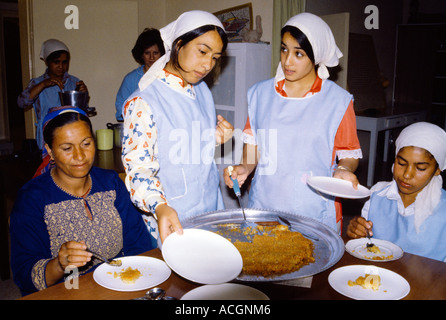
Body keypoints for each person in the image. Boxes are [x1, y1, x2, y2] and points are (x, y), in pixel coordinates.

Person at [224, 13, 362, 233]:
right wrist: (244, 167)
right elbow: (254, 147)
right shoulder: (260, 94)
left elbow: (348, 152)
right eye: (284, 49)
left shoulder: (337, 101)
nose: (287, 61)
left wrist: (344, 169)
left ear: (316, 56)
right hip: (265, 205)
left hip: (314, 208)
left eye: (299, 53)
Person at [10, 107, 156, 296]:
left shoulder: (111, 183)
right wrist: (59, 264)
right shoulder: (32, 198)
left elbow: (138, 245)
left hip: (117, 285)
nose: (80, 156)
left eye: (86, 144)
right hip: (64, 292)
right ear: (50, 150)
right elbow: (24, 273)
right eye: (67, 148)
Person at [122, 10, 233, 244]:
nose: (207, 65)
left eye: (215, 57)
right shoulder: (144, 101)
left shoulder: (200, 89)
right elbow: (139, 171)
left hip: (209, 207)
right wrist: (160, 207)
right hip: (171, 217)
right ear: (178, 44)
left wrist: (216, 137)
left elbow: (182, 141)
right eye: (202, 51)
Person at [347, 122, 446, 262]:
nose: (407, 174)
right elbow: (363, 246)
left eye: (421, 168)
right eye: (401, 163)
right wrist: (357, 233)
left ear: (437, 170)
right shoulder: (378, 194)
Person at [17, 39, 89, 177]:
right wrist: (43, 85)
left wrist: (83, 94)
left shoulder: (74, 82)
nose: (61, 66)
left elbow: (82, 111)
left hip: (71, 137)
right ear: (47, 62)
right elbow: (21, 103)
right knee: (49, 177)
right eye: (56, 62)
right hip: (46, 139)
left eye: (64, 62)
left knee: (70, 174)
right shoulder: (37, 83)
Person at [115, 28, 165, 121]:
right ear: (141, 55)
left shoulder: (169, 77)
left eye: (155, 53)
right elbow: (121, 108)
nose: (151, 57)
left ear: (162, 54)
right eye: (147, 53)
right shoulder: (130, 79)